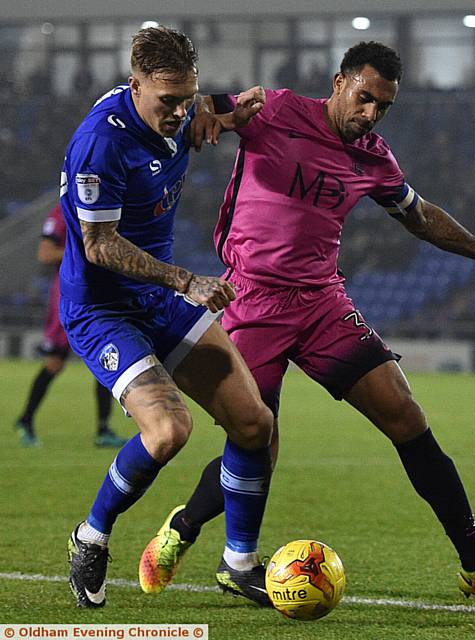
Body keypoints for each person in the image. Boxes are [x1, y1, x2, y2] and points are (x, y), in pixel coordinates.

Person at [139, 41, 475, 608]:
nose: (371, 114)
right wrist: (207, 109)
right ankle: (183, 528)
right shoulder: (276, 110)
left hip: (322, 302)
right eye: (365, 98)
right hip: (252, 299)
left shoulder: (375, 158)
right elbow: (195, 103)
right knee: (258, 441)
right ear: (338, 82)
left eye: (383, 106)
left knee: (406, 415)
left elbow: (420, 217)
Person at [59, 25, 275, 609]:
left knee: (255, 424)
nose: (180, 112)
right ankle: (91, 535)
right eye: (167, 101)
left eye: (188, 97)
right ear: (135, 86)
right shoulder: (100, 144)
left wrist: (229, 108)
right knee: (168, 431)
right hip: (102, 310)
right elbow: (100, 245)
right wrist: (186, 281)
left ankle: (239, 563)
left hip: (156, 300)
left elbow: (207, 109)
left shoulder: (179, 111)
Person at [15, 203, 126, 448]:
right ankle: (26, 419)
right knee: (55, 363)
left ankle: (103, 429)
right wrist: (84, 251)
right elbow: (45, 254)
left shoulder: (102, 209)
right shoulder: (62, 212)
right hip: (69, 297)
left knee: (107, 359)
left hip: (97, 296)